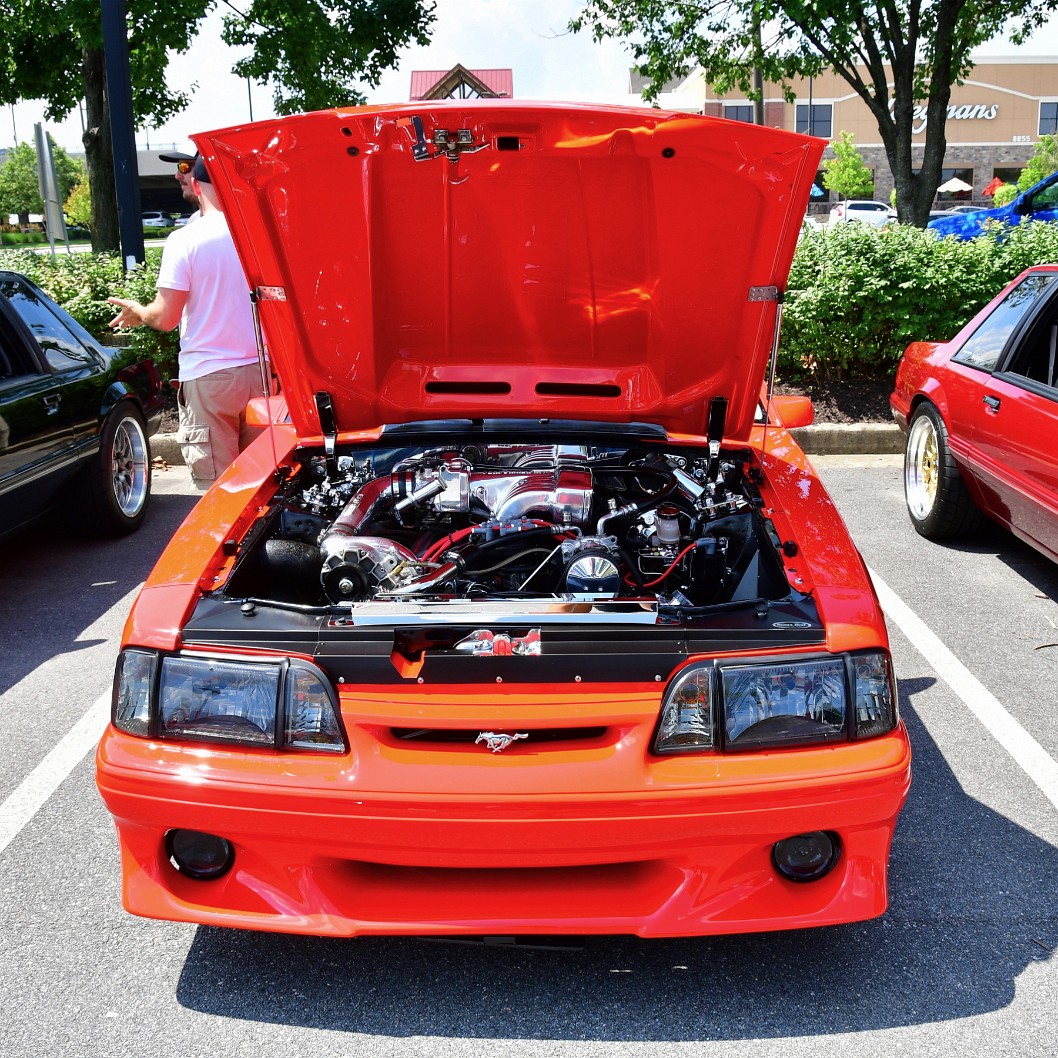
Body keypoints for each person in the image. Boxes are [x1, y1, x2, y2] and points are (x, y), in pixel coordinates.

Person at [108, 156, 263, 490]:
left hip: (209, 377)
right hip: (262, 373)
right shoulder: (259, 233)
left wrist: (138, 310)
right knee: (264, 484)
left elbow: (165, 318)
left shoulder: (185, 240)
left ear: (197, 184)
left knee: (219, 493)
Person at [159, 150, 201, 221]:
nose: (177, 176)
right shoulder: (194, 219)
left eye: (184, 167)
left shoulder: (224, 221)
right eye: (180, 167)